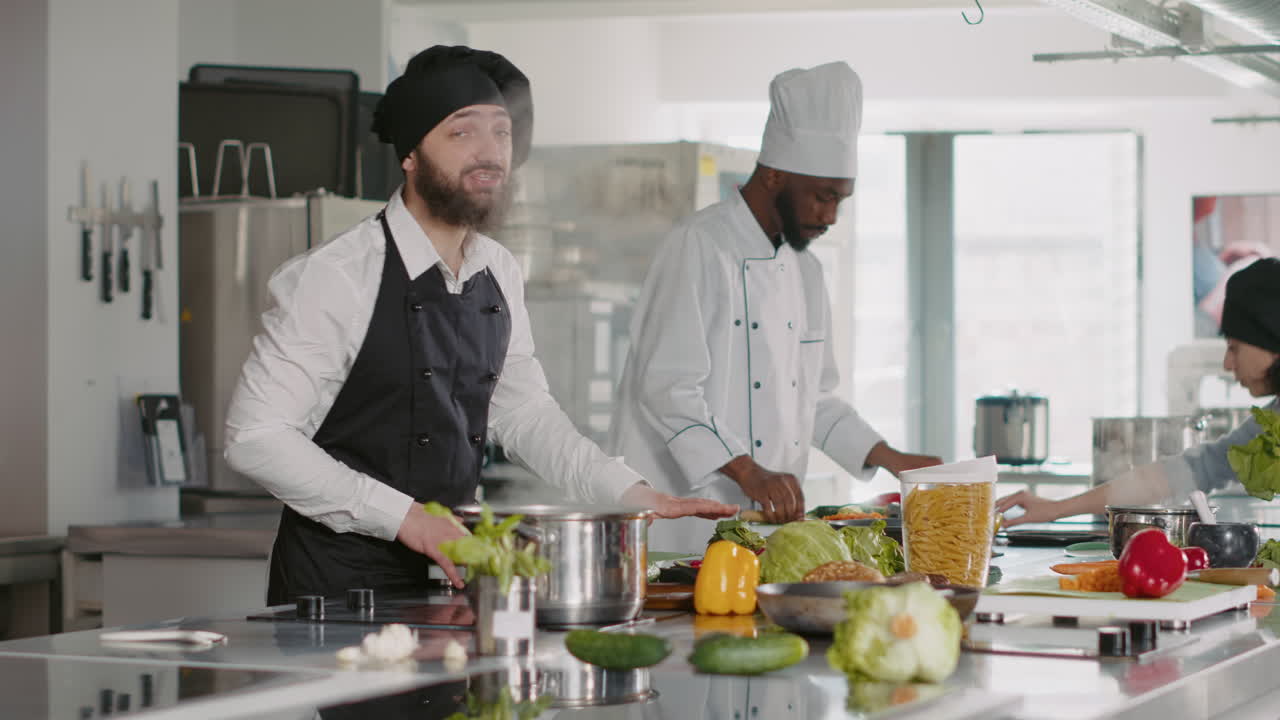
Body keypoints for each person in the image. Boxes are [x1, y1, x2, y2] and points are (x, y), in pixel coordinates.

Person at [224, 45, 736, 605]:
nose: (490, 152)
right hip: (336, 593)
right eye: (462, 133)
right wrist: (406, 518)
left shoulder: (498, 269)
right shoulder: (337, 275)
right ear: (411, 155)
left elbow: (523, 413)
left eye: (502, 132)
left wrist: (627, 491)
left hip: (453, 583)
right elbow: (256, 437)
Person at [608, 61, 940, 552]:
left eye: (840, 200)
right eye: (822, 197)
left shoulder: (806, 271)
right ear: (774, 175)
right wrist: (749, 471)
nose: (830, 216)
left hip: (759, 529)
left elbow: (816, 400)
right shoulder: (699, 245)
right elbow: (667, 389)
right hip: (676, 523)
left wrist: (892, 457)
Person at [998, 258, 1280, 525]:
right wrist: (1056, 509)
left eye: (1234, 347)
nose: (1227, 363)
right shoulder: (1269, 425)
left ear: (1271, 339)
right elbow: (1177, 475)